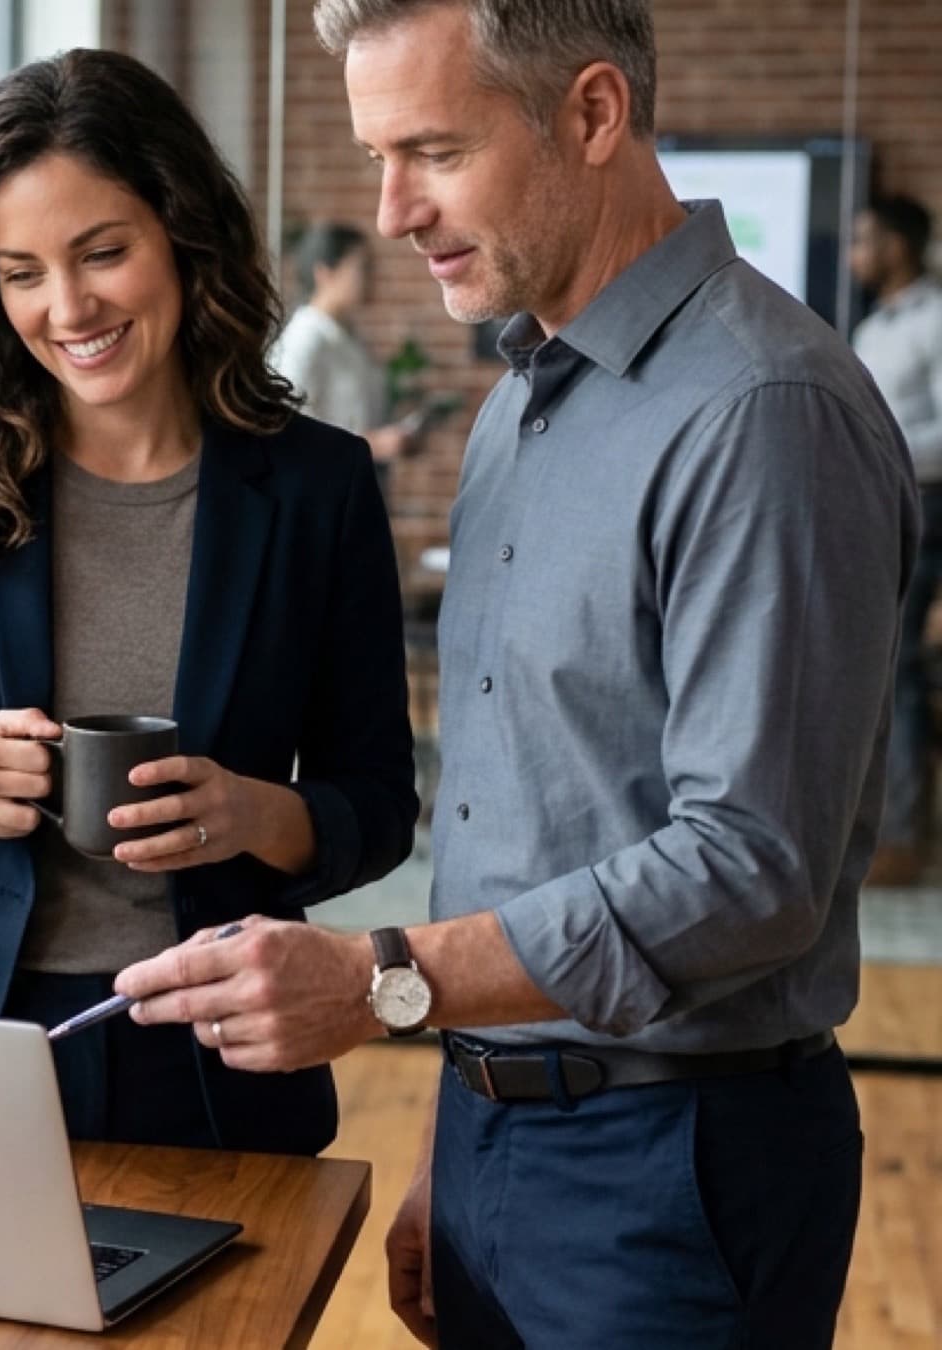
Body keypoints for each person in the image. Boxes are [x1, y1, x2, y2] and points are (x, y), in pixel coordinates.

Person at [110, 2, 916, 1346]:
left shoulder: (763, 410)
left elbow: (750, 867)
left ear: (594, 113)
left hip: (677, 1170)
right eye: (379, 159)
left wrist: (373, 977)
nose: (391, 213)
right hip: (503, 1136)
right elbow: (517, 827)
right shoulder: (521, 405)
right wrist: (461, 1123)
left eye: (434, 152)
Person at [0, 48, 417, 1157]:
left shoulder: (317, 487)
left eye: (104, 252)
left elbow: (380, 802)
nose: (68, 308)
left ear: (184, 236)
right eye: (21, 272)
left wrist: (252, 813)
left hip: (211, 1053)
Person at [850, 194, 942, 885]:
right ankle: (877, 831)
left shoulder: (934, 320)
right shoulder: (873, 324)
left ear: (898, 247)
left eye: (865, 239)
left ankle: (905, 841)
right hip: (876, 505)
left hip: (926, 506)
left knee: (901, 671)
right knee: (876, 669)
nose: (854, 253)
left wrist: (876, 446)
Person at [270, 222, 420, 463]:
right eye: (363, 267)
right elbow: (285, 433)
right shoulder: (304, 339)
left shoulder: (348, 335)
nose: (372, 278)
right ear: (324, 273)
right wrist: (375, 445)